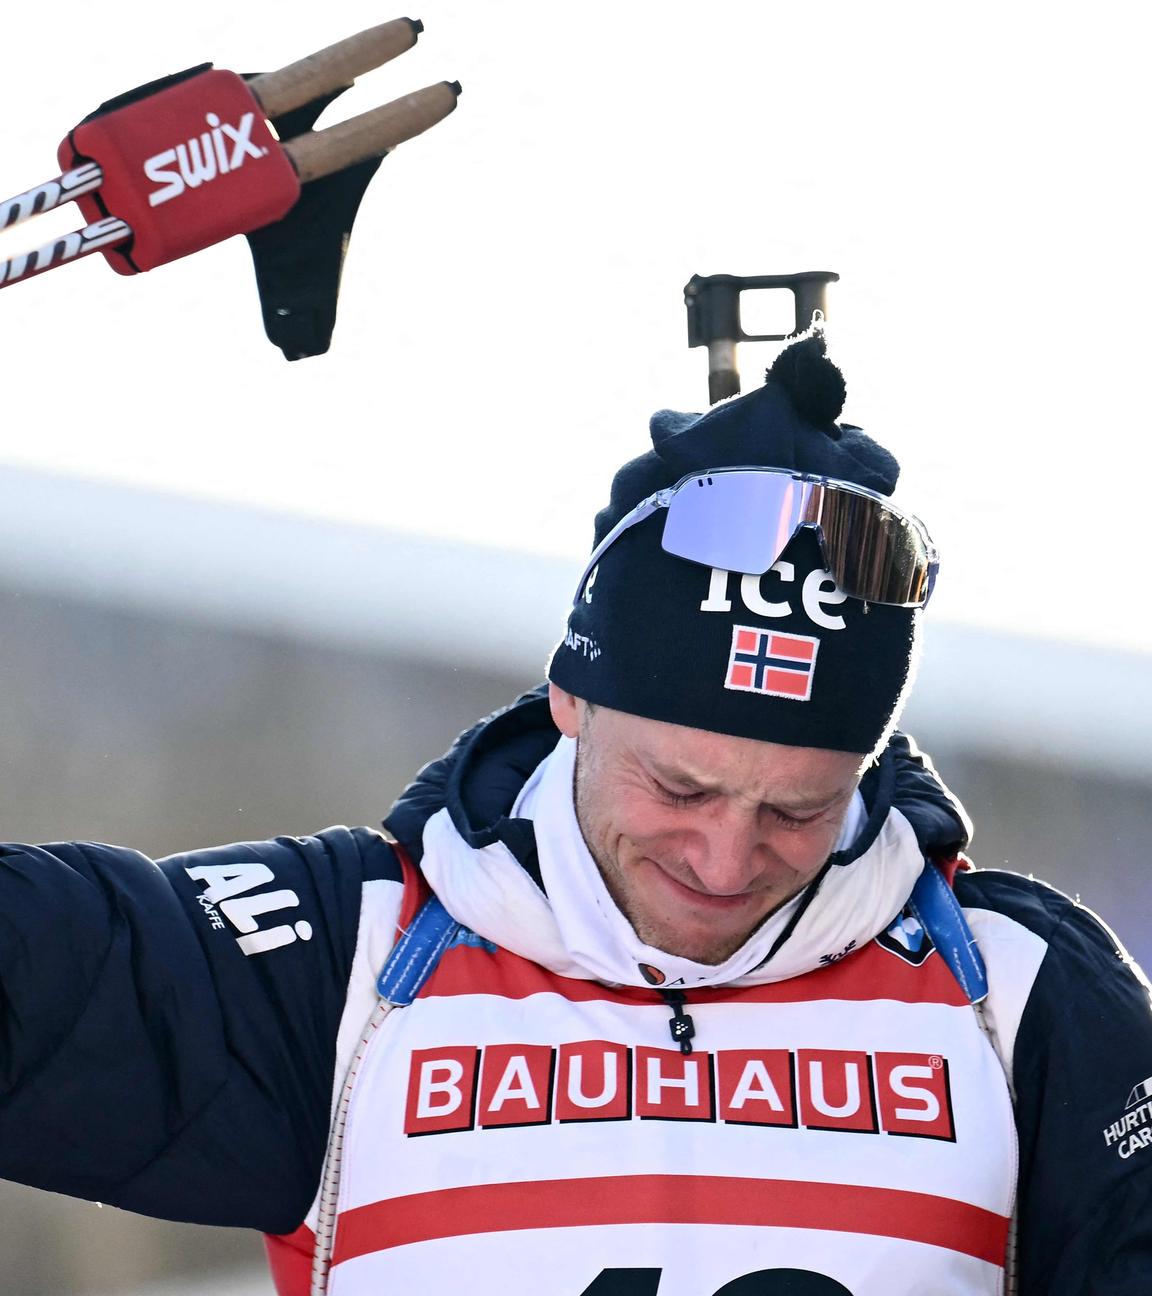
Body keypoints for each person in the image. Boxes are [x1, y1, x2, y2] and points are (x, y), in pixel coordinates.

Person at [1, 332, 1149, 1296]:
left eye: (798, 808)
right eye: (680, 787)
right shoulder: (345, 958)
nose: (725, 857)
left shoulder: (1018, 988)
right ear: (573, 698)